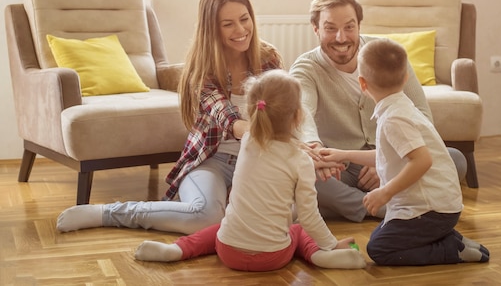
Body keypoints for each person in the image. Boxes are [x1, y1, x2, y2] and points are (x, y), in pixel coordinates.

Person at [56, 0, 284, 234]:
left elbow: (284, 109)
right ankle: (108, 213)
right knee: (205, 218)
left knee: (290, 211)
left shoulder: (268, 58)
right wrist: (255, 130)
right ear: (212, 29)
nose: (241, 30)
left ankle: (231, 209)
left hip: (259, 161)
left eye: (244, 19)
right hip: (212, 161)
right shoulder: (202, 69)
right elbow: (225, 116)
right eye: (228, 24)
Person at [133, 70, 367, 271]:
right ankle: (322, 254)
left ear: (254, 111)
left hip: (228, 251)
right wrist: (330, 242)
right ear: (298, 117)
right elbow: (309, 216)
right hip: (272, 257)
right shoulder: (300, 162)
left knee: (217, 228)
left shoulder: (247, 142)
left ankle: (176, 249)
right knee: (297, 229)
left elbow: (271, 143)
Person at [289, 0, 468, 222]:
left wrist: (384, 163)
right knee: (302, 174)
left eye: (349, 27)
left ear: (359, 26)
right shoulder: (306, 68)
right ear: (316, 29)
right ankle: (383, 208)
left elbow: (422, 115)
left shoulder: (387, 53)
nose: (341, 38)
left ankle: (348, 206)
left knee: (454, 159)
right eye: (330, 28)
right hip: (341, 166)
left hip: (396, 158)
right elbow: (303, 113)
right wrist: (316, 151)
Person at [320, 38, 489, 265]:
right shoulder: (400, 107)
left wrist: (385, 192)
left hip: (431, 210)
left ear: (363, 83)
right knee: (386, 234)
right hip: (439, 207)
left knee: (379, 248)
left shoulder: (394, 119)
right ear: (406, 77)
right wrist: (344, 154)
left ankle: (450, 249)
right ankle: (451, 238)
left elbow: (422, 161)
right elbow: (388, 155)